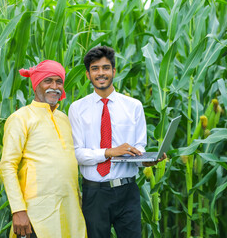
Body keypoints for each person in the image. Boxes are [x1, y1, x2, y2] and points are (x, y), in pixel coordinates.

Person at [68, 46, 166, 238]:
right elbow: (77, 154)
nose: (101, 73)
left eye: (106, 68)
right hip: (95, 193)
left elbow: (139, 147)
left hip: (127, 190)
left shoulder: (134, 106)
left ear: (114, 71)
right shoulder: (77, 108)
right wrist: (108, 152)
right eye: (95, 69)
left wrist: (145, 160)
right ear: (88, 74)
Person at [0, 60, 87, 238]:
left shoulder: (64, 119)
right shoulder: (21, 118)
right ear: (36, 84)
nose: (54, 86)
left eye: (59, 82)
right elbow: (7, 166)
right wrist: (18, 210)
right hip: (36, 213)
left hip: (70, 211)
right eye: (48, 81)